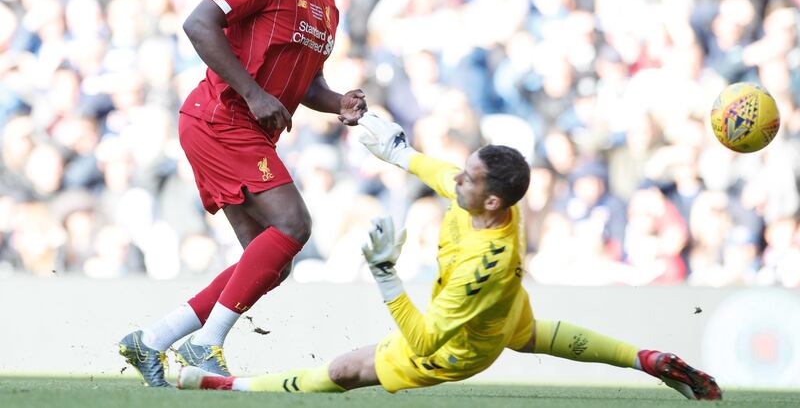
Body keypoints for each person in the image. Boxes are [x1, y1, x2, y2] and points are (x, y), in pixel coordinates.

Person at [176, 112, 722, 400]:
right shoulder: (484, 202)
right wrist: (398, 152)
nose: (456, 177)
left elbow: (425, 339)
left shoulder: (480, 267)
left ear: (488, 200)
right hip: (505, 310)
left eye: (470, 177)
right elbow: (442, 174)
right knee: (537, 335)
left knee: (345, 371)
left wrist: (386, 276)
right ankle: (646, 358)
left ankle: (226, 386)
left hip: (459, 345)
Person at [118, 0, 367, 387]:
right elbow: (198, 23)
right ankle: (207, 344)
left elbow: (307, 83)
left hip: (247, 128)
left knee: (267, 262)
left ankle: (151, 340)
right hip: (220, 118)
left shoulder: (327, 7)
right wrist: (252, 94)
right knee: (294, 224)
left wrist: (337, 101)